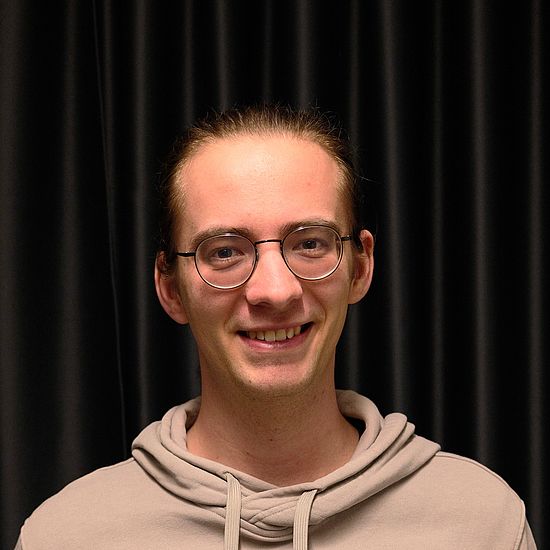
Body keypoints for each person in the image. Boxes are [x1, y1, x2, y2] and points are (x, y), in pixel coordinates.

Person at [16, 104, 536, 549]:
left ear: (360, 267)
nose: (275, 291)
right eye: (224, 251)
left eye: (309, 243)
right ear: (171, 288)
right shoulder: (65, 537)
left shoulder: (483, 524)